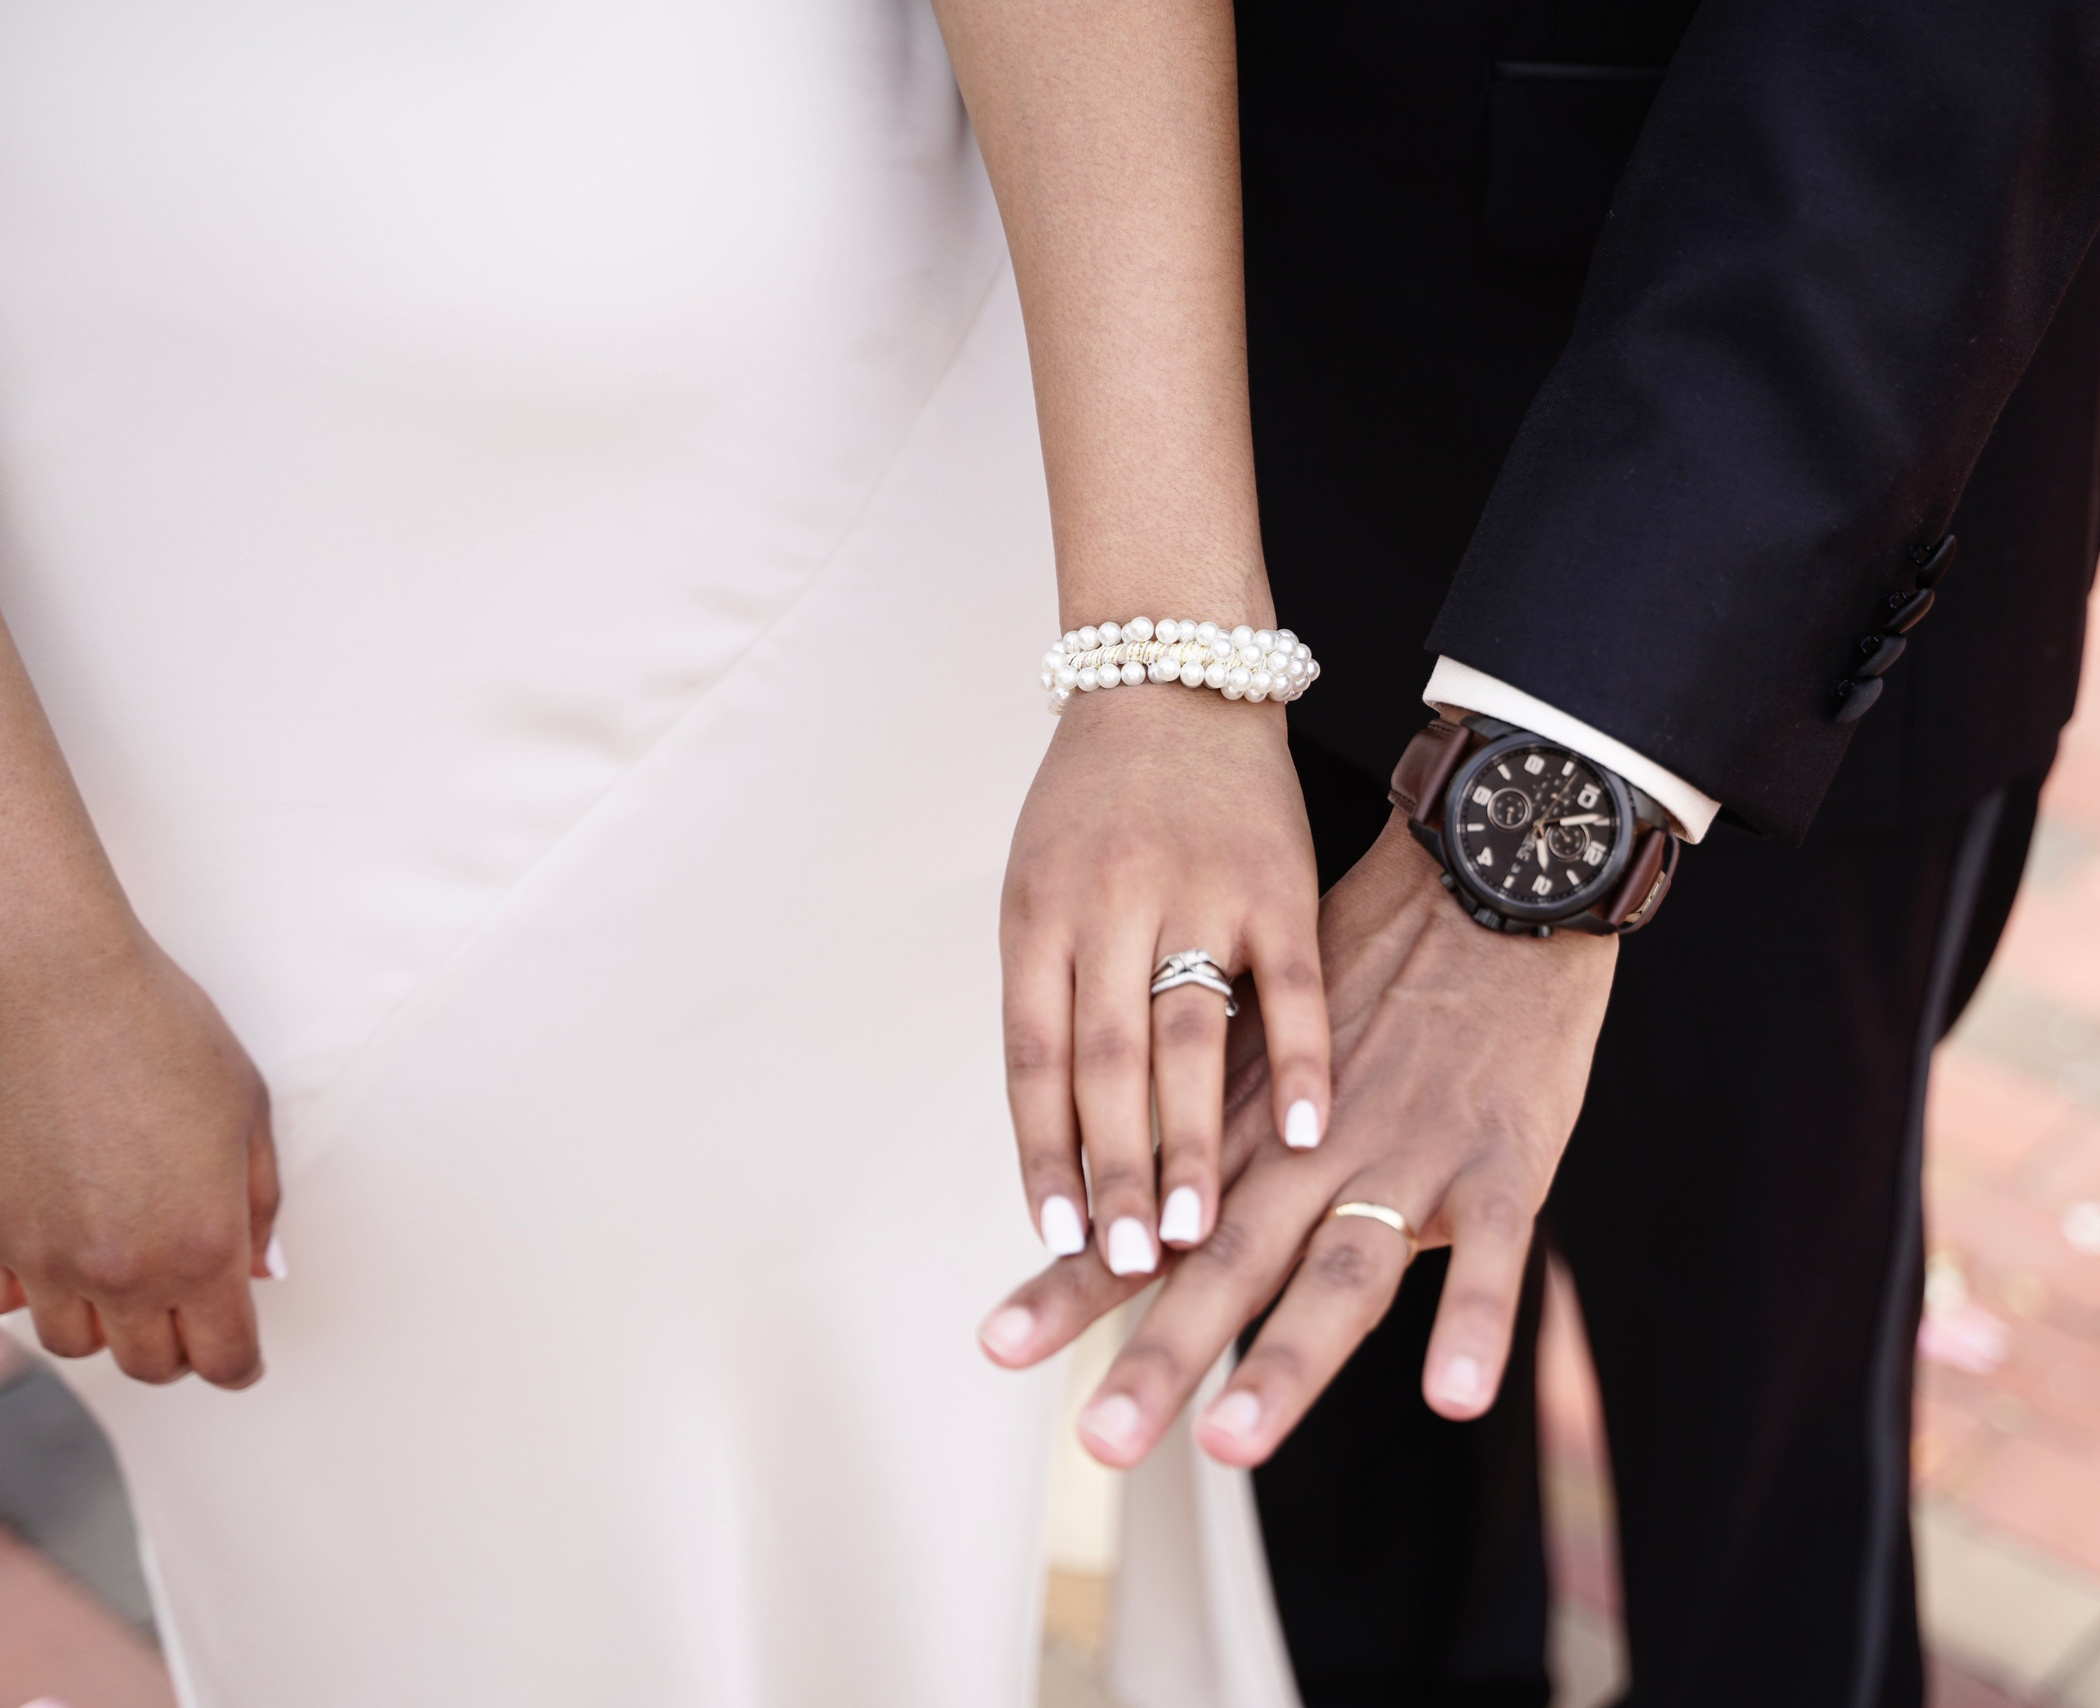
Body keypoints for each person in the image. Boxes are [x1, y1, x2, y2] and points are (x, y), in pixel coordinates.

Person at [0, 0, 1300, 1701]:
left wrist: (1171, 663)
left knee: (921, 1440)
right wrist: (36, 954)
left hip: (866, 433)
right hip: (208, 572)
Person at [983, 0, 2100, 1702]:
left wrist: (1550, 798)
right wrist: (1173, 639)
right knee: (1326, 1482)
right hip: (1248, 401)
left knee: (1756, 1477)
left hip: (1779, 520)